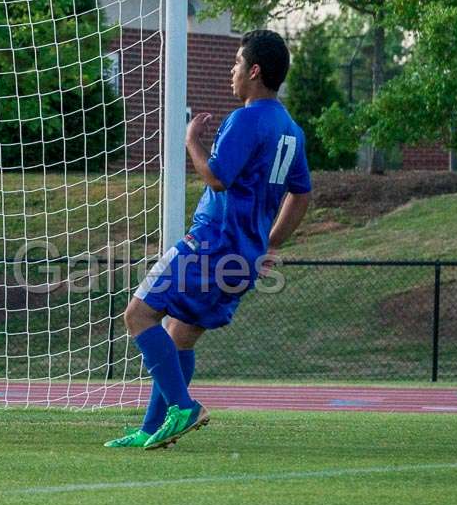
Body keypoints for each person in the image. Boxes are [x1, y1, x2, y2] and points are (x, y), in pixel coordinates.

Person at [106, 29, 313, 450]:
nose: (231, 72)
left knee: (138, 316)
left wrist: (191, 142)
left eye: (237, 63)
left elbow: (217, 178)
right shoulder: (291, 129)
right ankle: (153, 429)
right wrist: (271, 245)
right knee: (180, 334)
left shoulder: (247, 118)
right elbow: (302, 193)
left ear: (254, 71)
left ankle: (183, 407)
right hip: (244, 257)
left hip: (210, 244)